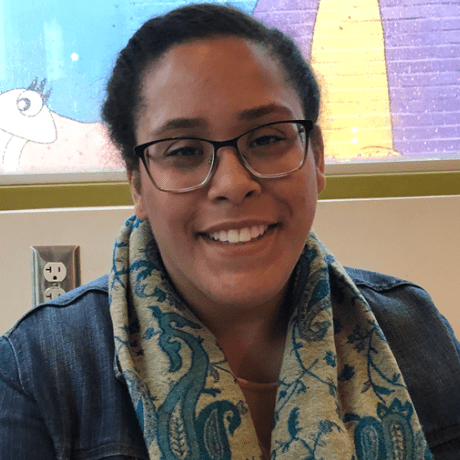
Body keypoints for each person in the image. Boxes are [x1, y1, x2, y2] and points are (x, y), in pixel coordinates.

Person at [1, 3, 459, 459]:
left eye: (266, 139)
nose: (233, 185)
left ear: (316, 157)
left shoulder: (413, 331)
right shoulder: (39, 370)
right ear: (137, 183)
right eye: (182, 150)